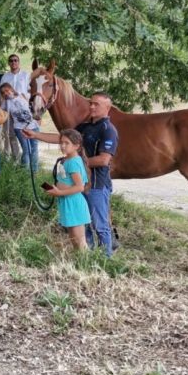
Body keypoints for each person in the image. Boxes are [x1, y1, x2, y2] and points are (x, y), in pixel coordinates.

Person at [23, 92, 119, 256]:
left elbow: (104, 160)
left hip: (97, 185)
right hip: (83, 186)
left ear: (107, 108)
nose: (92, 106)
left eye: (97, 104)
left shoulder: (108, 130)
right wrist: (36, 135)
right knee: (84, 223)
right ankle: (87, 257)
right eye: (91, 103)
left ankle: (106, 260)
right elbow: (63, 138)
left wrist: (75, 163)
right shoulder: (84, 126)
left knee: (100, 225)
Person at [43, 129, 90, 250]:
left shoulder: (73, 162)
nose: (62, 146)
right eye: (61, 143)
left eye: (66, 143)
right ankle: (80, 263)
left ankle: (86, 265)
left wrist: (59, 192)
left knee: (79, 241)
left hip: (74, 203)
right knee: (74, 239)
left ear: (76, 146)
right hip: (67, 203)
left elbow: (80, 187)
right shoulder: (67, 160)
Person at [0, 82, 40, 172]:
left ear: (11, 89)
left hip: (33, 126)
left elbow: (35, 107)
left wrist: (38, 118)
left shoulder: (23, 95)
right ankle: (25, 172)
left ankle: (34, 171)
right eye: (3, 93)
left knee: (34, 148)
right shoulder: (6, 102)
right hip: (20, 129)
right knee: (26, 150)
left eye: (7, 90)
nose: (6, 93)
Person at [0, 53, 30, 161]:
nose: (13, 62)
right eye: (11, 60)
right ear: (9, 63)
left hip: (23, 111)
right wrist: (2, 110)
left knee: (25, 135)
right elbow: (1, 93)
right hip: (9, 109)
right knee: (11, 135)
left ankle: (27, 159)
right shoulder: (5, 76)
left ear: (19, 62)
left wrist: (21, 95)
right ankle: (16, 159)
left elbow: (30, 92)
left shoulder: (26, 75)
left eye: (15, 60)